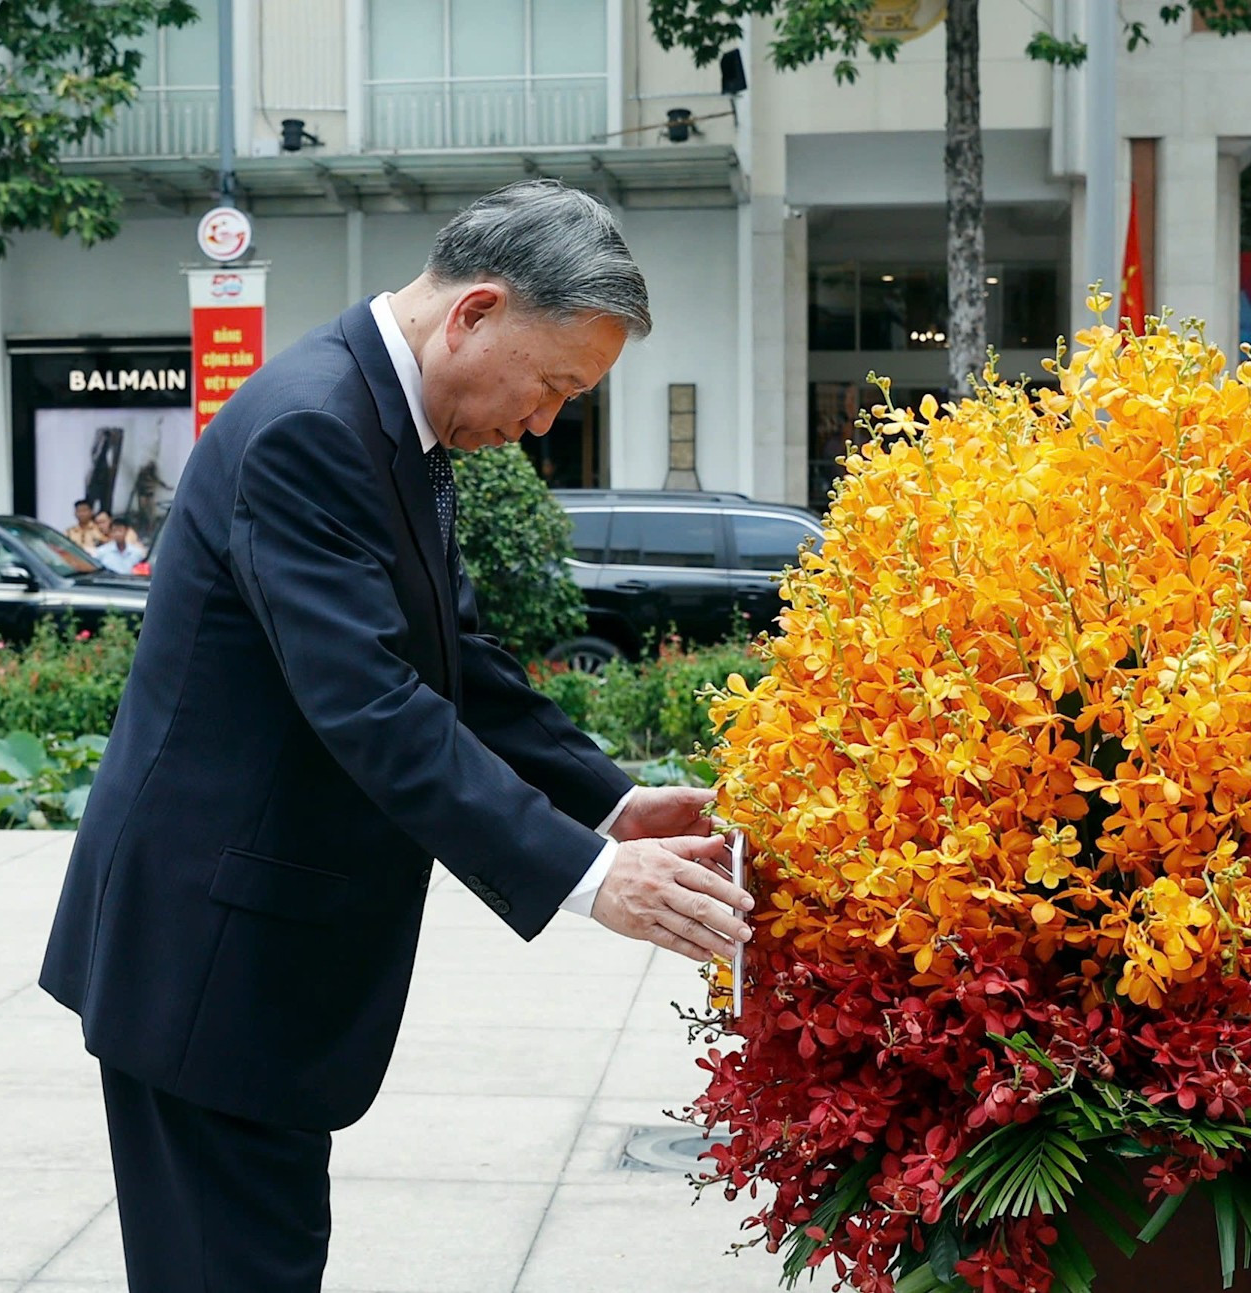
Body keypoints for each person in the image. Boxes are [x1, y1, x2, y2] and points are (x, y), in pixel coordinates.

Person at [40, 179, 756, 1292]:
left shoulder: (390, 419)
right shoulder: (312, 429)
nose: (541, 424)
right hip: (206, 962)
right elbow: (371, 705)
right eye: (553, 384)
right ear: (476, 312)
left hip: (245, 952)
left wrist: (608, 804)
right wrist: (590, 874)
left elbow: (455, 659)